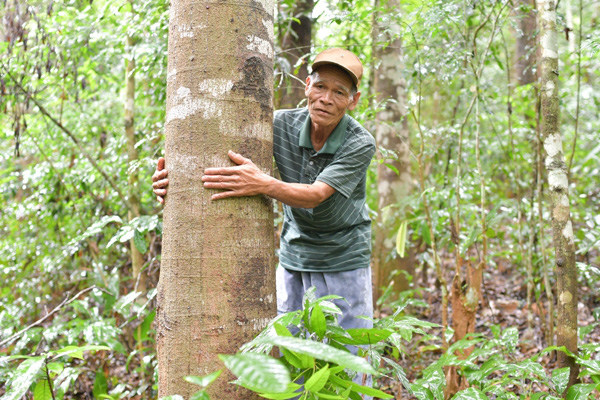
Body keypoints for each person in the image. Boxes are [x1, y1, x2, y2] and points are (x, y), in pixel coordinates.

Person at [152, 48, 376, 387]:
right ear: (307, 88)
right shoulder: (279, 125)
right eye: (320, 87)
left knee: (347, 358)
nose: (326, 99)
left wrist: (262, 183)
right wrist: (171, 180)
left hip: (343, 258)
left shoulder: (359, 142)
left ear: (353, 100)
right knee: (291, 352)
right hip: (294, 256)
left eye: (339, 92)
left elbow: (316, 195)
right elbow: (219, 154)